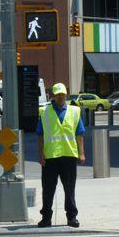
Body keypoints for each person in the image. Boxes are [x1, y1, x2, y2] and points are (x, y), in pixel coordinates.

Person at [36, 83, 85, 228]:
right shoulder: (44, 112)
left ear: (66, 95)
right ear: (53, 95)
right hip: (50, 157)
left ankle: (72, 217)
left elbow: (80, 134)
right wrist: (41, 154)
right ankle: (46, 218)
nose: (60, 97)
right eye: (57, 94)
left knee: (69, 189)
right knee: (48, 189)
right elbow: (40, 135)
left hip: (69, 155)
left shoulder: (74, 111)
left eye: (62, 94)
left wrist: (81, 153)